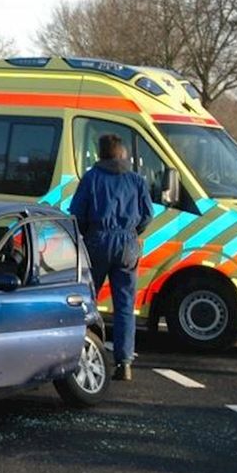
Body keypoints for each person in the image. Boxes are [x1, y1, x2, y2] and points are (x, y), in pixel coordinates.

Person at [67, 133, 153, 381]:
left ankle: (84, 355)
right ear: (123, 153)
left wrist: (87, 235)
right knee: (125, 305)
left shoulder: (92, 178)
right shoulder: (137, 180)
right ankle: (124, 362)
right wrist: (132, 232)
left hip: (98, 241)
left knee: (88, 299)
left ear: (100, 153)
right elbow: (148, 215)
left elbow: (78, 214)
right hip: (127, 243)